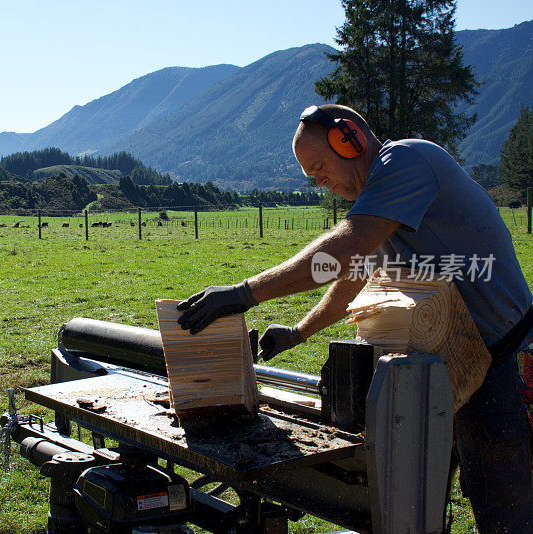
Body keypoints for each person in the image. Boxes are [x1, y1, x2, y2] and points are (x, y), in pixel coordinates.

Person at [177, 104, 533, 532]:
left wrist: (245, 292)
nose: (319, 182)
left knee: (505, 502)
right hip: (451, 358)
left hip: (503, 355)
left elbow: (345, 248)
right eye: (311, 176)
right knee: (425, 497)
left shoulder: (405, 160)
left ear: (351, 139)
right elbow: (348, 272)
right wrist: (298, 331)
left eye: (320, 167)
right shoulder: (380, 206)